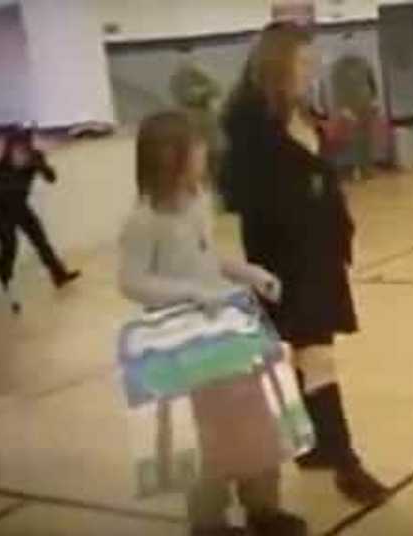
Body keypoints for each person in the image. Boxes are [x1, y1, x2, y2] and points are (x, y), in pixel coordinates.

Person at [221, 21, 389, 506]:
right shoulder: (251, 123)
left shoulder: (299, 112)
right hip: (286, 258)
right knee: (318, 357)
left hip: (320, 251)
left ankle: (312, 445)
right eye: (304, 61)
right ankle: (346, 464)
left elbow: (317, 175)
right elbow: (243, 194)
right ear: (279, 63)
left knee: (301, 354)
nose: (313, 69)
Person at [118, 110, 305, 536]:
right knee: (208, 436)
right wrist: (192, 294)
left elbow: (207, 261)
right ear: (170, 158)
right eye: (197, 148)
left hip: (225, 330)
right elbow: (131, 282)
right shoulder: (143, 221)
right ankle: (209, 522)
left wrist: (247, 272)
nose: (206, 155)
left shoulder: (198, 203)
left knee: (255, 422)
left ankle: (263, 507)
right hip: (184, 342)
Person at [0, 126, 81, 315]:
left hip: (21, 207)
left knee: (41, 241)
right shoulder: (2, 162)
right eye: (17, 145)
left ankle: (59, 275)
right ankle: (4, 280)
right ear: (11, 146)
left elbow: (51, 178)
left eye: (24, 144)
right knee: (9, 246)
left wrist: (41, 165)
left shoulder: (35, 157)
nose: (21, 149)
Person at [169, 47, 225, 196]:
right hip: (191, 122)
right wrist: (203, 93)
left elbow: (217, 87)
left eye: (190, 56)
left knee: (216, 157)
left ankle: (217, 192)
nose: (187, 61)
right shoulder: (177, 78)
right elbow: (184, 96)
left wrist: (203, 82)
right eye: (184, 57)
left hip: (208, 122)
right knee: (196, 161)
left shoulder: (202, 72)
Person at [329, 52, 378, 181]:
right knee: (354, 138)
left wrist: (373, 101)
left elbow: (372, 85)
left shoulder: (364, 63)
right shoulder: (337, 67)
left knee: (366, 137)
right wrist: (342, 107)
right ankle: (357, 168)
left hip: (364, 104)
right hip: (349, 106)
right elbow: (336, 89)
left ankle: (366, 168)